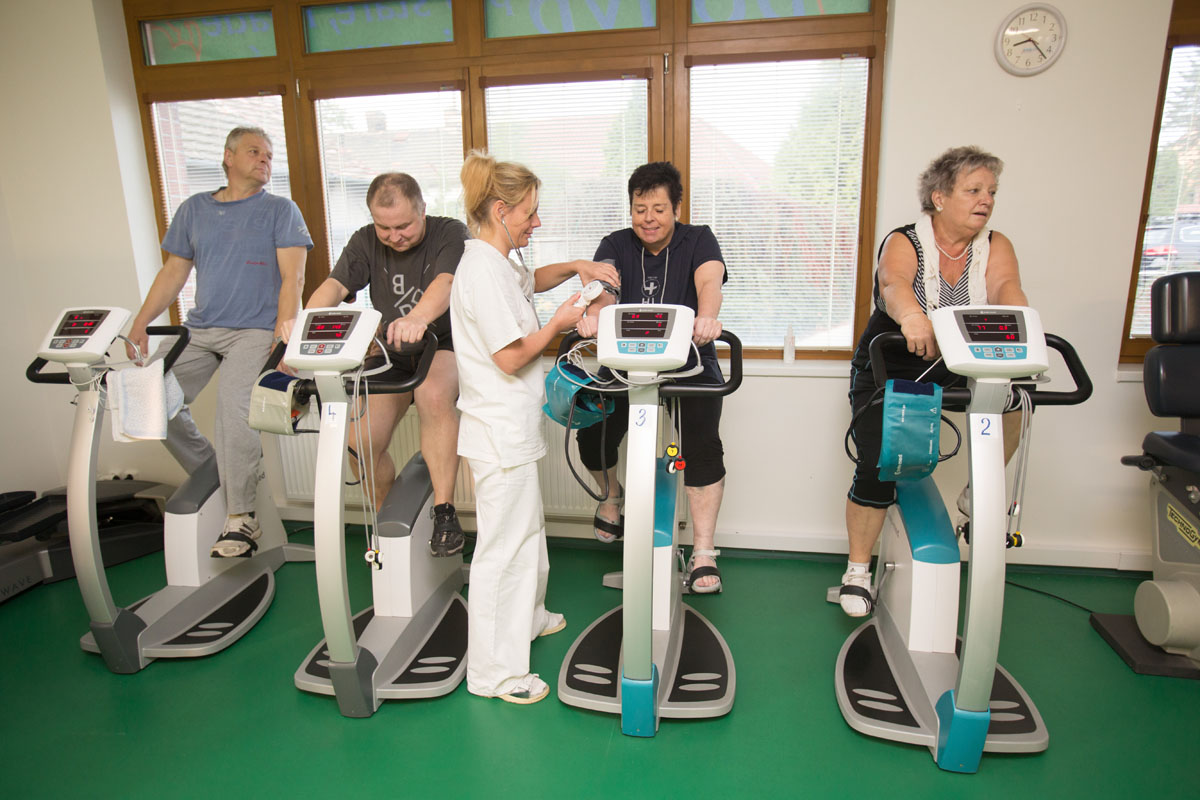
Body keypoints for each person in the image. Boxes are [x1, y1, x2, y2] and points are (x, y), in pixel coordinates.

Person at [451, 150, 618, 704]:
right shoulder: (481, 271)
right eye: (530, 213)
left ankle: (530, 616)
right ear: (501, 211)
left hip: (511, 426)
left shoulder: (500, 262)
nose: (536, 222)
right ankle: (495, 674)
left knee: (528, 533)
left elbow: (531, 280)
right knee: (502, 550)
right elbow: (509, 357)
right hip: (496, 430)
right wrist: (561, 323)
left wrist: (576, 267)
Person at [839, 145, 1028, 617]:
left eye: (991, 192)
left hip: (958, 357)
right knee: (877, 465)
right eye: (973, 190)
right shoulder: (906, 240)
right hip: (891, 359)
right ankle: (857, 571)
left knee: (1017, 396)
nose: (986, 200)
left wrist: (1022, 324)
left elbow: (1005, 288)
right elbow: (895, 283)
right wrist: (912, 317)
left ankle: (978, 491)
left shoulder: (995, 245)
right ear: (940, 197)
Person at [126, 126, 312, 557]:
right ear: (228, 157)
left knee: (234, 410)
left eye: (269, 155)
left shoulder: (280, 211)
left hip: (255, 330)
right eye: (254, 151)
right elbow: (173, 273)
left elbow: (294, 278)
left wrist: (283, 338)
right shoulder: (194, 209)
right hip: (201, 329)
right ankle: (215, 469)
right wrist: (141, 324)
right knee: (147, 396)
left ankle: (240, 517)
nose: (264, 160)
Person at [576, 161, 729, 594]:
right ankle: (612, 495)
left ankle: (703, 551)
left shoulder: (698, 239)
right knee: (592, 431)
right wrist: (594, 316)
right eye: (640, 209)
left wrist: (707, 317)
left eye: (658, 209)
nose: (648, 219)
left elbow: (710, 282)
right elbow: (603, 291)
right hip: (628, 361)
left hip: (690, 358)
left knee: (701, 444)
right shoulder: (615, 244)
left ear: (676, 208)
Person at [304, 174, 469, 556]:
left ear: (422, 210)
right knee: (359, 442)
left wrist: (418, 318)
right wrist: (305, 324)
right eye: (384, 228)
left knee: (432, 396)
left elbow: (446, 282)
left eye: (404, 226)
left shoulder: (449, 233)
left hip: (442, 343)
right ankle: (388, 521)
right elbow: (335, 286)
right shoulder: (365, 240)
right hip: (390, 350)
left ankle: (444, 513)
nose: (394, 236)